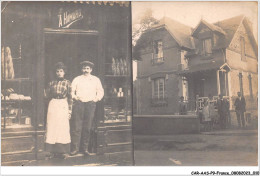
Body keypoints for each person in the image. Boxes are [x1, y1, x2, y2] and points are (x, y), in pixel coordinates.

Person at [70, 61, 104, 156]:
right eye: (84, 68)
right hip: (79, 104)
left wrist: (95, 99)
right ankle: (75, 149)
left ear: (91, 70)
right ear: (82, 69)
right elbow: (71, 91)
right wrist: (76, 98)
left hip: (90, 104)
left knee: (87, 127)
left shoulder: (96, 80)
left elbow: (100, 91)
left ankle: (84, 149)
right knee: (77, 127)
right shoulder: (77, 79)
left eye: (88, 68)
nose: (86, 70)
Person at [44, 62, 72, 159]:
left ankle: (63, 152)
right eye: (57, 71)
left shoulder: (68, 83)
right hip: (53, 104)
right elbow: (47, 95)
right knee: (52, 126)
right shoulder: (51, 83)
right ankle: (51, 151)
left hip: (63, 104)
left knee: (62, 127)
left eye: (61, 71)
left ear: (64, 72)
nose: (59, 73)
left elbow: (70, 98)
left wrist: (69, 111)